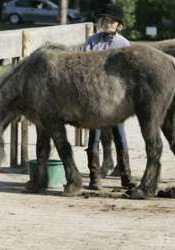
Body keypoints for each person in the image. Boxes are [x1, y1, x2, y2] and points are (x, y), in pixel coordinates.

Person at [83, 3, 134, 190]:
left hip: (115, 99)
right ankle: (94, 176)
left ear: (118, 25)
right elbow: (84, 66)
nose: (106, 22)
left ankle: (126, 176)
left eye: (111, 20)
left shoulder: (124, 44)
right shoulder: (92, 41)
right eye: (104, 19)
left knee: (120, 135)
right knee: (93, 136)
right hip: (96, 97)